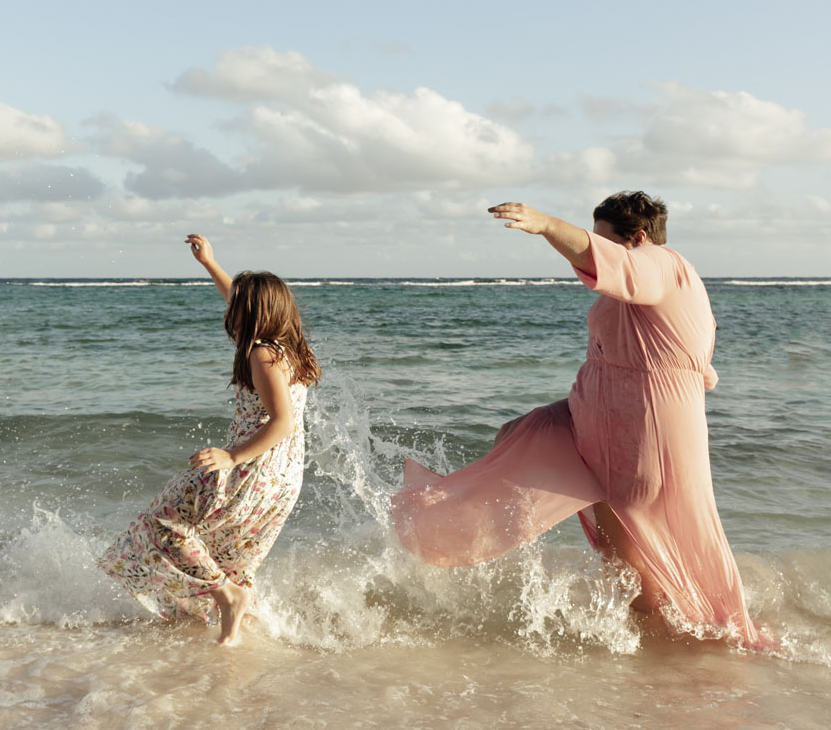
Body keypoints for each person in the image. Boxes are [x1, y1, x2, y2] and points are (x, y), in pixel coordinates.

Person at [391, 191, 775, 649]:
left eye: (604, 240)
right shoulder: (647, 288)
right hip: (596, 418)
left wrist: (547, 225)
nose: (595, 249)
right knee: (519, 434)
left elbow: (665, 337)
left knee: (628, 556)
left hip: (636, 431)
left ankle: (661, 650)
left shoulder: (660, 264)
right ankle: (649, 635)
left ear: (637, 238)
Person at [97, 234, 321, 645]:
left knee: (165, 524)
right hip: (283, 474)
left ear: (252, 315)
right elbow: (237, 297)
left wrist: (231, 456)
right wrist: (209, 264)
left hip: (252, 467)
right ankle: (234, 630)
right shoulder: (287, 347)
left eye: (237, 309)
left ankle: (226, 596)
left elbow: (282, 421)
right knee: (233, 553)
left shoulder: (261, 354)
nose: (229, 313)